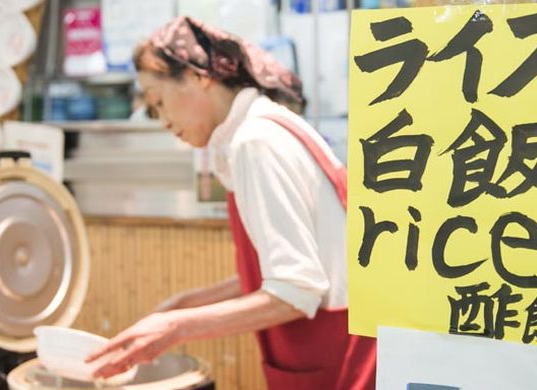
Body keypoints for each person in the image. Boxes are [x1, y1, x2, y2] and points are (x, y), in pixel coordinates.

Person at [86, 16, 376, 389]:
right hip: (336, 348)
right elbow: (287, 270)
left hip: (337, 357)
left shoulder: (255, 142)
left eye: (158, 102)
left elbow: (297, 291)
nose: (162, 121)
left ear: (198, 76)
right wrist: (185, 303)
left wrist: (175, 328)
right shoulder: (268, 126)